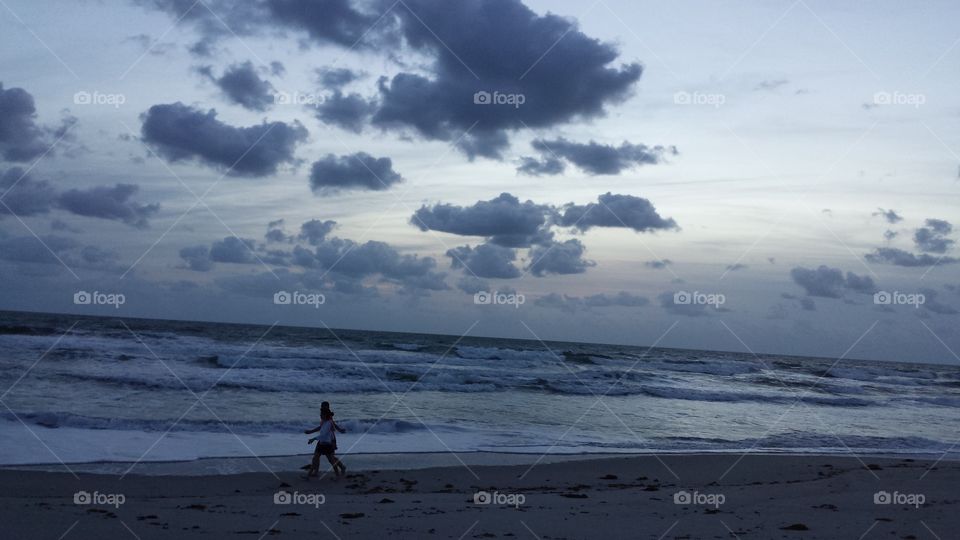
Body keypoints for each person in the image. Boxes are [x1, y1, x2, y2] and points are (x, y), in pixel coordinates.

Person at [302, 402, 346, 478]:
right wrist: (310, 431)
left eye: (325, 406)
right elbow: (321, 428)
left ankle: (341, 467)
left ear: (328, 407)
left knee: (331, 458)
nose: (323, 408)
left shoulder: (328, 417)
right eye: (323, 406)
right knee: (317, 456)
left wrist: (340, 430)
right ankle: (315, 472)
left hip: (329, 439)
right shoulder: (323, 416)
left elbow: (333, 426)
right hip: (322, 439)